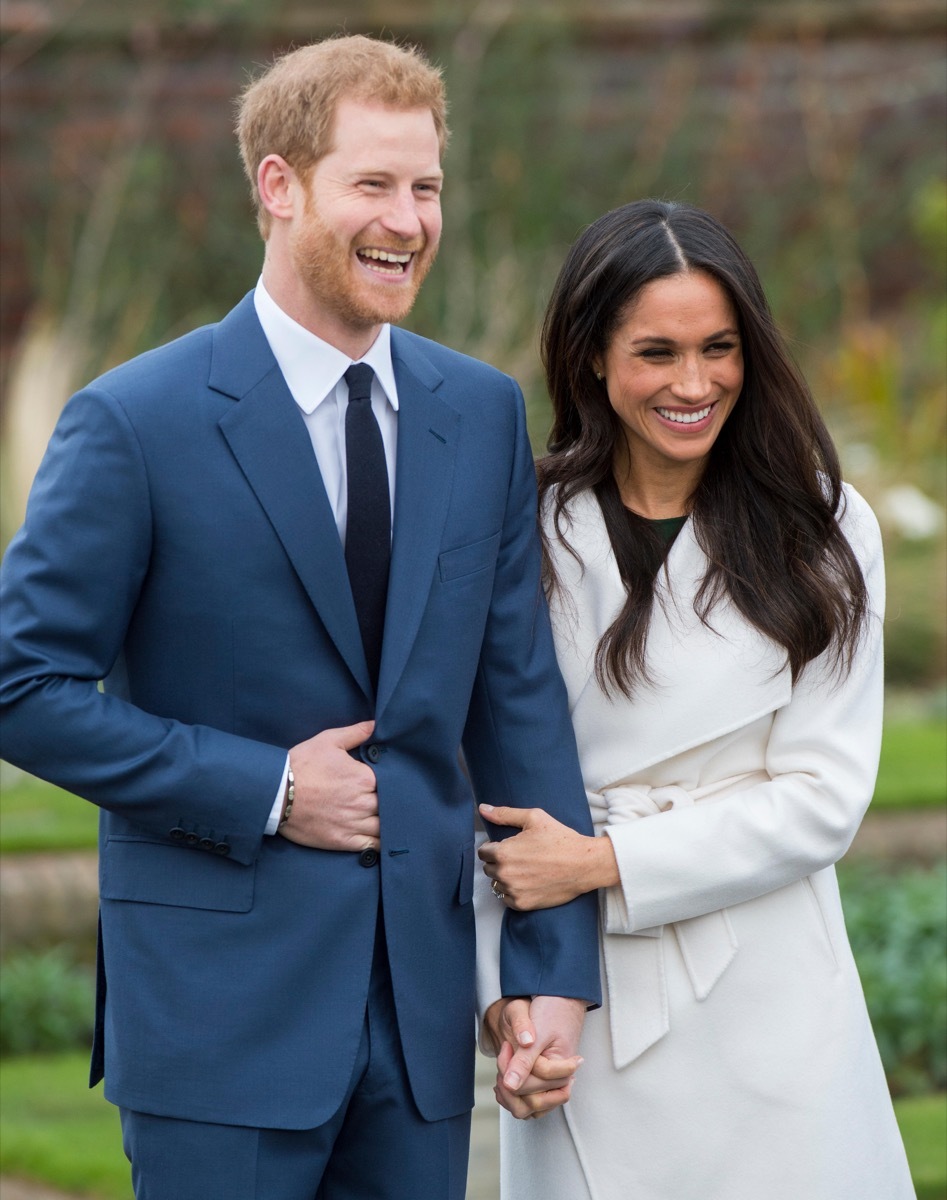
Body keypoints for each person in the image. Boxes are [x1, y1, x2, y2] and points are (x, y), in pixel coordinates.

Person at [0, 35, 601, 1200]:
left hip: (420, 1018)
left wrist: (549, 970)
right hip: (216, 1021)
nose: (410, 218)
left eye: (426, 186)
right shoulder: (134, 422)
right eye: (372, 183)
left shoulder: (477, 415)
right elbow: (22, 688)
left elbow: (516, 703)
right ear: (279, 187)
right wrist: (268, 789)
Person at [475, 199, 914, 1199]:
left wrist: (602, 861)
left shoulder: (824, 528)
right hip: (582, 1005)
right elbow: (482, 789)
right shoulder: (520, 530)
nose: (692, 382)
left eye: (718, 348)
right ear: (589, 356)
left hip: (768, 994)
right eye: (654, 351)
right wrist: (506, 1001)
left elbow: (820, 800)